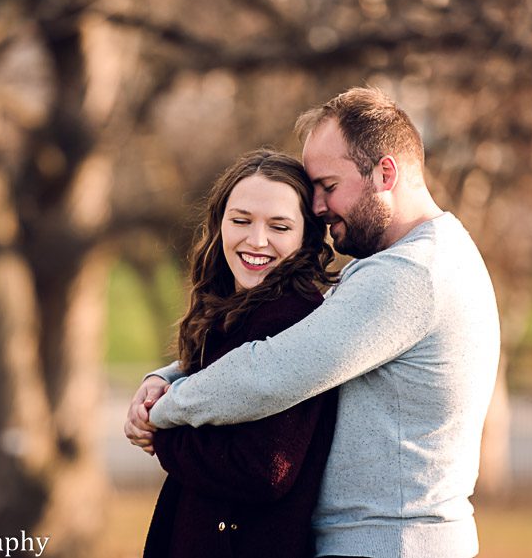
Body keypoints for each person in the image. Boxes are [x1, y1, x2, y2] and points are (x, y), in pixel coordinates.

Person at [125, 87, 500, 558]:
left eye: (328, 186)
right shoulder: (422, 258)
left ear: (385, 172)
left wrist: (162, 415)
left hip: (389, 545)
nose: (318, 206)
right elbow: (310, 342)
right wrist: (168, 376)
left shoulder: (411, 274)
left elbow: (272, 371)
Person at [142, 149, 340, 558]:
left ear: (306, 236)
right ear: (219, 223)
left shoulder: (293, 319)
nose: (257, 240)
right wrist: (164, 380)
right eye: (241, 220)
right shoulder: (233, 311)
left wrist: (163, 434)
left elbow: (265, 469)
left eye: (279, 226)